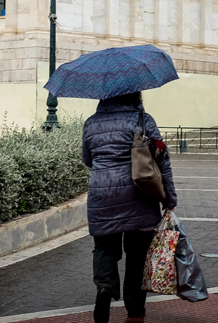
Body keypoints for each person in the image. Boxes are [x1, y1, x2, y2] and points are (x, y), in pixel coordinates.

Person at [82, 91, 177, 323]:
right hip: (139, 196)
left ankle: (104, 289)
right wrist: (169, 197)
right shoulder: (143, 121)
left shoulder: (91, 123)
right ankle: (134, 308)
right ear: (135, 95)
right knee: (137, 255)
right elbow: (161, 160)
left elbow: (87, 159)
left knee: (104, 248)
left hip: (102, 196)